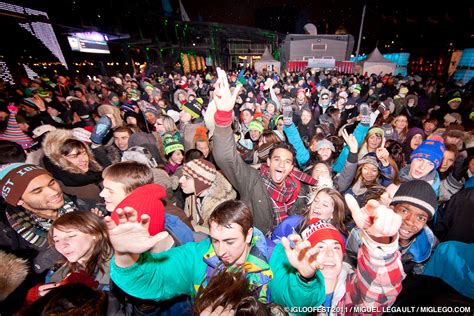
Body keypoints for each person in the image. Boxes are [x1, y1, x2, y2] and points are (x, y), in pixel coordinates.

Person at [107, 200, 326, 309]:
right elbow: (153, 280)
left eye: (230, 241)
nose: (221, 251)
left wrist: (305, 279)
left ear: (248, 235)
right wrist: (125, 256)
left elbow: (298, 304)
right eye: (215, 240)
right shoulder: (196, 257)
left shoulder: (275, 257)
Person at [211, 68, 315, 233]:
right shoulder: (252, 181)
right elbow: (226, 158)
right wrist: (223, 115)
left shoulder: (302, 190)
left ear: (292, 167)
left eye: (287, 161)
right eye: (277, 159)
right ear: (268, 161)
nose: (281, 164)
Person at [345, 180, 438, 275]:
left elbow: (424, 265)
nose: (410, 221)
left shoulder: (428, 239)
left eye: (420, 218)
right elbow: (349, 265)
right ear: (392, 208)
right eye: (404, 211)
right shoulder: (362, 235)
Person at [179, 159, 236, 234]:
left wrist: (197, 230)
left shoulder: (222, 205)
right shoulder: (190, 196)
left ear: (200, 182)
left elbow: (221, 234)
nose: (180, 180)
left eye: (187, 177)